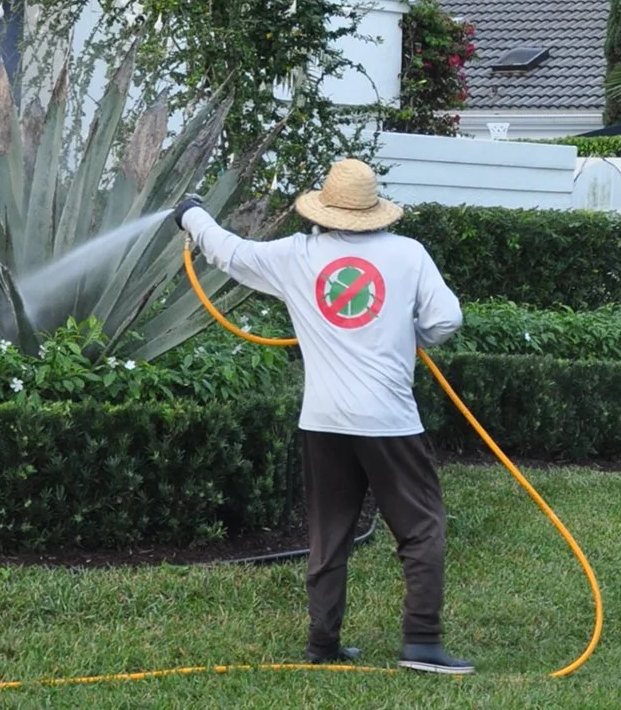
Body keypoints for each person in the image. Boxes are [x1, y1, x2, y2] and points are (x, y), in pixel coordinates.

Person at [174, 158, 473, 676]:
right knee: (421, 528)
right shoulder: (408, 254)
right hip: (389, 421)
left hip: (324, 420)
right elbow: (447, 318)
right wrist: (412, 337)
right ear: (374, 210)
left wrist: (191, 215)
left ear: (324, 209)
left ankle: (322, 643)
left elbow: (229, 252)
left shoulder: (298, 254)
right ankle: (421, 644)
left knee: (329, 533)